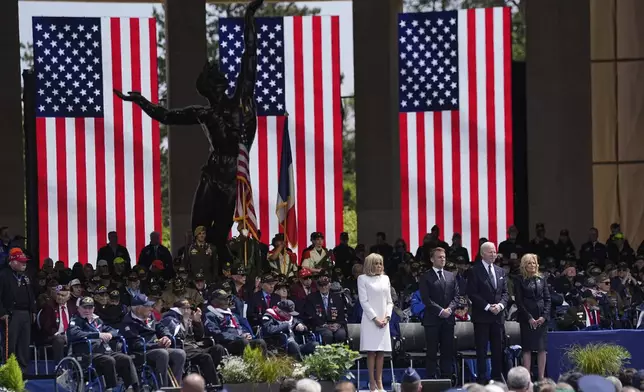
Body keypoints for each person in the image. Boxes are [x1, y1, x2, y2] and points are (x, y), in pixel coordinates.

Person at [68, 297, 140, 391]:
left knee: (126, 358)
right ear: (79, 308)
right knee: (108, 360)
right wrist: (97, 335)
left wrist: (110, 334)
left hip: (104, 351)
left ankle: (132, 387)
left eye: (90, 308)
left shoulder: (97, 320)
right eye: (84, 307)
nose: (87, 310)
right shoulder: (76, 320)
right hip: (87, 354)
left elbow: (114, 331)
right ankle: (111, 388)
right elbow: (73, 334)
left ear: (93, 309)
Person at [121, 294, 186, 387]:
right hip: (141, 352)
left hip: (157, 346)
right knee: (162, 354)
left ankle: (175, 386)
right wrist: (156, 345)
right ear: (139, 309)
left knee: (180, 353)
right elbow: (136, 345)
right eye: (148, 306)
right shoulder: (128, 323)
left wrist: (167, 337)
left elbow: (161, 327)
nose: (151, 309)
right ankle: (162, 387)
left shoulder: (150, 316)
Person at [466, 242, 509, 384]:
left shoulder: (500, 271)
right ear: (483, 253)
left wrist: (501, 306)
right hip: (482, 317)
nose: (493, 254)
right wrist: (487, 306)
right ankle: (482, 379)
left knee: (498, 349)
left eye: (495, 252)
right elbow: (472, 293)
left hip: (498, 317)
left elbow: (505, 293)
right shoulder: (474, 270)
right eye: (490, 252)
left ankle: (497, 378)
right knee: (482, 350)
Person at [161, 299, 224, 387]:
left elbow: (199, 336)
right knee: (206, 357)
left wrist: (197, 322)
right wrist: (185, 322)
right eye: (185, 308)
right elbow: (177, 336)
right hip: (183, 348)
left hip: (195, 347)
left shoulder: (189, 319)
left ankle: (206, 374)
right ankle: (214, 385)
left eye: (189, 308)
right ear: (178, 309)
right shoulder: (170, 319)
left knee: (218, 348)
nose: (188, 310)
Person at [418, 247, 459, 380]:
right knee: (432, 352)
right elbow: (426, 299)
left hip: (448, 320)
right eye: (439, 257)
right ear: (432, 259)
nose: (442, 259)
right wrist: (440, 311)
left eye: (444, 257)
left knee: (447, 351)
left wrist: (450, 309)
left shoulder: (451, 276)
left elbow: (456, 296)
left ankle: (446, 379)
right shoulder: (425, 277)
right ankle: (431, 379)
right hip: (432, 320)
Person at [357, 253, 393, 392]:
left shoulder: (385, 278)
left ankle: (380, 383)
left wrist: (387, 317)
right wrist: (375, 318)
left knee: (381, 352)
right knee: (371, 352)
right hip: (370, 320)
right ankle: (372, 383)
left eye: (380, 263)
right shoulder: (362, 279)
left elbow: (389, 301)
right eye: (376, 263)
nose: (379, 266)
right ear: (369, 265)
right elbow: (363, 301)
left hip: (384, 320)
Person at [514, 254, 550, 380]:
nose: (532, 265)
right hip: (526, 318)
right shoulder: (519, 279)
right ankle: (526, 378)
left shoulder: (542, 278)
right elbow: (519, 301)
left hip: (541, 318)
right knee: (527, 348)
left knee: (542, 348)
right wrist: (529, 317)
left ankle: (541, 377)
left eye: (534, 263)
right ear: (524, 265)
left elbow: (547, 298)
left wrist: (544, 316)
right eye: (529, 263)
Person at [0, 249, 36, 371]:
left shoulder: (25, 277)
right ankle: (9, 371)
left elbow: (31, 294)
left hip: (25, 313)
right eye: (21, 261)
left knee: (24, 344)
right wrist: (2, 312)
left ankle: (23, 370)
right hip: (11, 314)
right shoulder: (3, 275)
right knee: (10, 344)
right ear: (12, 261)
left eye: (25, 261)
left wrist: (33, 311)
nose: (24, 264)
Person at [203, 289, 267, 355]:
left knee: (260, 342)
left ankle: (261, 364)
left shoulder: (230, 314)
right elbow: (217, 334)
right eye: (223, 299)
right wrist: (238, 337)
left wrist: (245, 334)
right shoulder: (210, 315)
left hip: (239, 339)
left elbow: (239, 328)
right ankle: (246, 364)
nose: (226, 301)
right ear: (214, 302)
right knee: (243, 342)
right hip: (225, 343)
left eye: (227, 299)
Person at [303, 275, 347, 345]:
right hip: (320, 325)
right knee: (328, 334)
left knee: (341, 334)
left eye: (325, 285)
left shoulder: (337, 298)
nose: (323, 287)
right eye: (321, 285)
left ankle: (340, 353)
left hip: (335, 324)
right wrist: (324, 325)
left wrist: (337, 324)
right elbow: (311, 315)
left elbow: (341, 315)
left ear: (329, 285)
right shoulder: (311, 298)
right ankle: (327, 353)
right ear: (318, 286)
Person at [39, 284, 73, 363]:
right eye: (58, 294)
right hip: (53, 335)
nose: (60, 297)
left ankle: (79, 366)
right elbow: (47, 326)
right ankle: (59, 366)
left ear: (68, 296)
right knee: (59, 340)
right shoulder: (49, 306)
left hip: (69, 334)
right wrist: (58, 334)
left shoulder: (72, 306)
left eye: (63, 295)